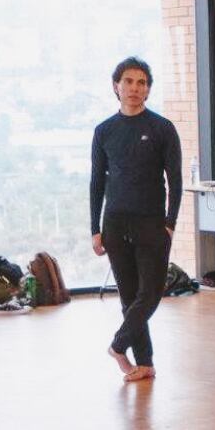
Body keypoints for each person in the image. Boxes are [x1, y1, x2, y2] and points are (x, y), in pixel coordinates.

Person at [90, 56, 182, 382]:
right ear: (116, 86)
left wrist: (170, 223)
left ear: (148, 89)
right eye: (128, 81)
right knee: (129, 296)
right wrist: (95, 230)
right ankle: (145, 362)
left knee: (151, 292)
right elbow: (97, 183)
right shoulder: (104, 131)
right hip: (115, 223)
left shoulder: (162, 128)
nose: (134, 88)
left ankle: (118, 345)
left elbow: (176, 180)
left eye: (141, 82)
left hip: (152, 223)